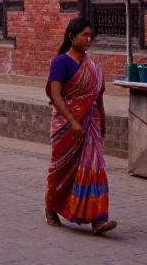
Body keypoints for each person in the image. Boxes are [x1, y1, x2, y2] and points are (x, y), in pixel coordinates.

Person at [45, 17, 117, 236]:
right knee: (62, 171)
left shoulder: (94, 64)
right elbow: (56, 95)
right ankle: (51, 206)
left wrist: (102, 123)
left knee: (93, 170)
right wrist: (73, 121)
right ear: (71, 37)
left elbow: (98, 97)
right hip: (66, 126)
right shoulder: (60, 63)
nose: (88, 39)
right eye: (84, 35)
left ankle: (98, 219)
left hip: (90, 125)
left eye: (90, 35)